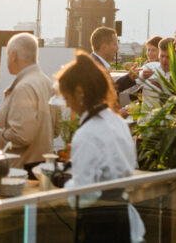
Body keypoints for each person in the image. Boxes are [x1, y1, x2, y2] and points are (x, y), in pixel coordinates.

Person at [56, 52, 144, 242]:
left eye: (66, 96)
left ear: (79, 92)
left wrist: (65, 183)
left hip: (100, 226)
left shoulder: (87, 134)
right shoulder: (118, 123)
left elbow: (85, 195)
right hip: (123, 218)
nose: (66, 104)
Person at [0, 33, 54, 172]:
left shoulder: (24, 87)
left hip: (21, 171)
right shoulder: (46, 82)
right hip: (39, 168)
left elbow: (21, 136)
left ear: (14, 55)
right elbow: (55, 129)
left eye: (7, 55)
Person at [89, 27, 147, 101]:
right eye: (115, 44)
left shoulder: (96, 64)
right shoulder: (95, 68)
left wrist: (129, 77)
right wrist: (117, 111)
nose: (117, 48)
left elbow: (110, 89)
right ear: (104, 47)